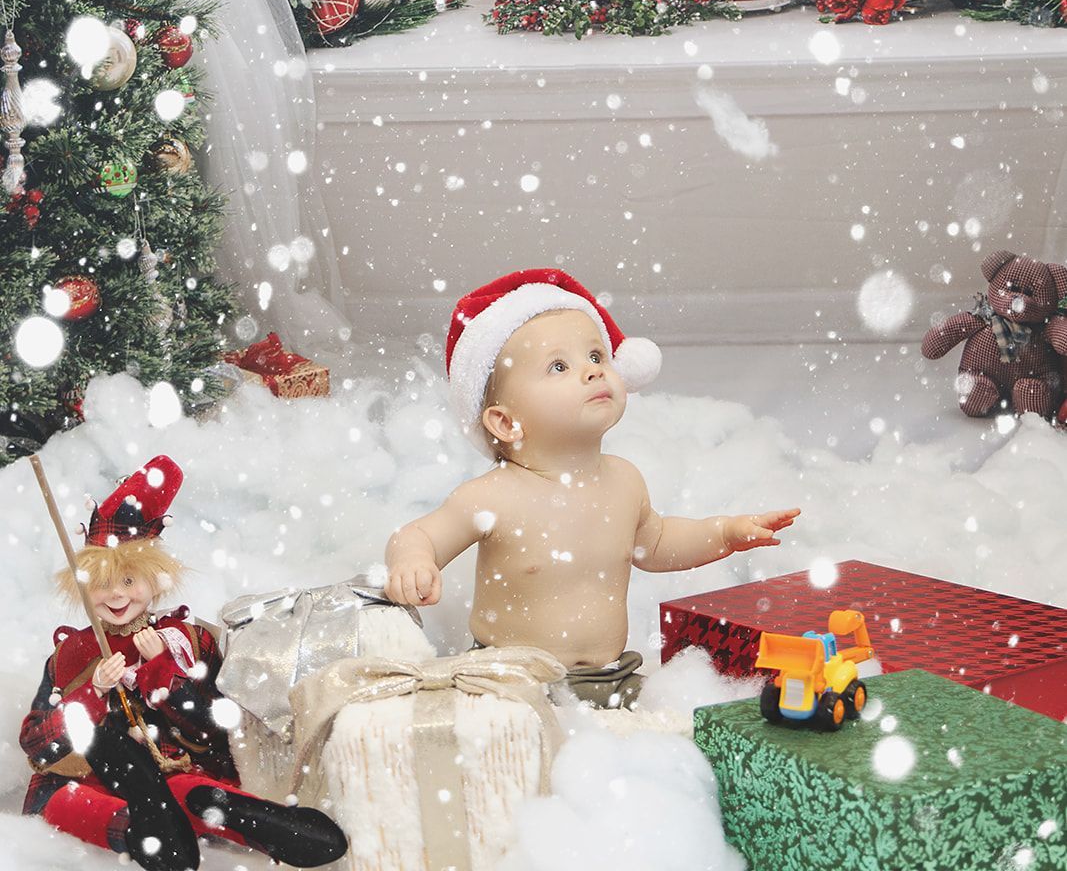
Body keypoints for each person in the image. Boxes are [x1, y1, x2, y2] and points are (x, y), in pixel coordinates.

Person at [386, 268, 800, 709]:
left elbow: (658, 544)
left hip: (612, 676)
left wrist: (724, 533)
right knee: (502, 733)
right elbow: (418, 534)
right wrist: (413, 562)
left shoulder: (624, 481)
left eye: (597, 356)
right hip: (512, 680)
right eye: (559, 366)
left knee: (675, 717)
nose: (592, 372)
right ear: (506, 422)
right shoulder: (492, 496)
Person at [21, 454, 347, 871]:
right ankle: (147, 833)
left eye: (128, 581)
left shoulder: (187, 642)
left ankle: (268, 823)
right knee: (70, 801)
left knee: (188, 792)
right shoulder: (69, 655)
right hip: (84, 776)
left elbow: (213, 729)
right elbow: (37, 745)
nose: (116, 595)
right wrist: (92, 693)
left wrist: (162, 672)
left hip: (168, 773)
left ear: (153, 581)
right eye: (102, 584)